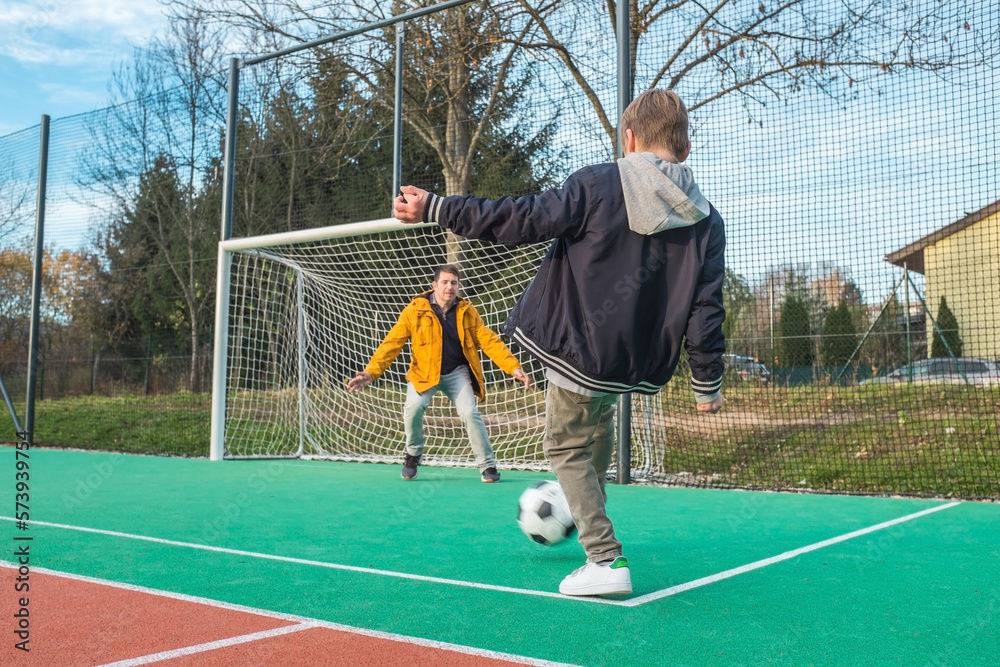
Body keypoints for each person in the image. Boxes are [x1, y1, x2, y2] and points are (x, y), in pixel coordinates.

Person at [392, 89, 727, 596]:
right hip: (630, 364)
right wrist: (707, 384)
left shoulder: (596, 183)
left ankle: (605, 559)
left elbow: (521, 218)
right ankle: (577, 503)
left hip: (577, 350)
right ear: (684, 149)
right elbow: (707, 309)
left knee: (564, 444)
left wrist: (439, 207)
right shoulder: (707, 219)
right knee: (596, 430)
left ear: (629, 138)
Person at [347, 264, 530, 483]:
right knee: (414, 407)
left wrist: (513, 367)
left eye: (453, 283)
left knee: (469, 413)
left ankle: (487, 465)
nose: (449, 287)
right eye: (444, 282)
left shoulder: (467, 311)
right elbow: (391, 343)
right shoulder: (415, 310)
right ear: (434, 285)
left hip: (457, 373)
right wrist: (371, 372)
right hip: (424, 372)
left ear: (458, 286)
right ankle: (413, 453)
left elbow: (488, 340)